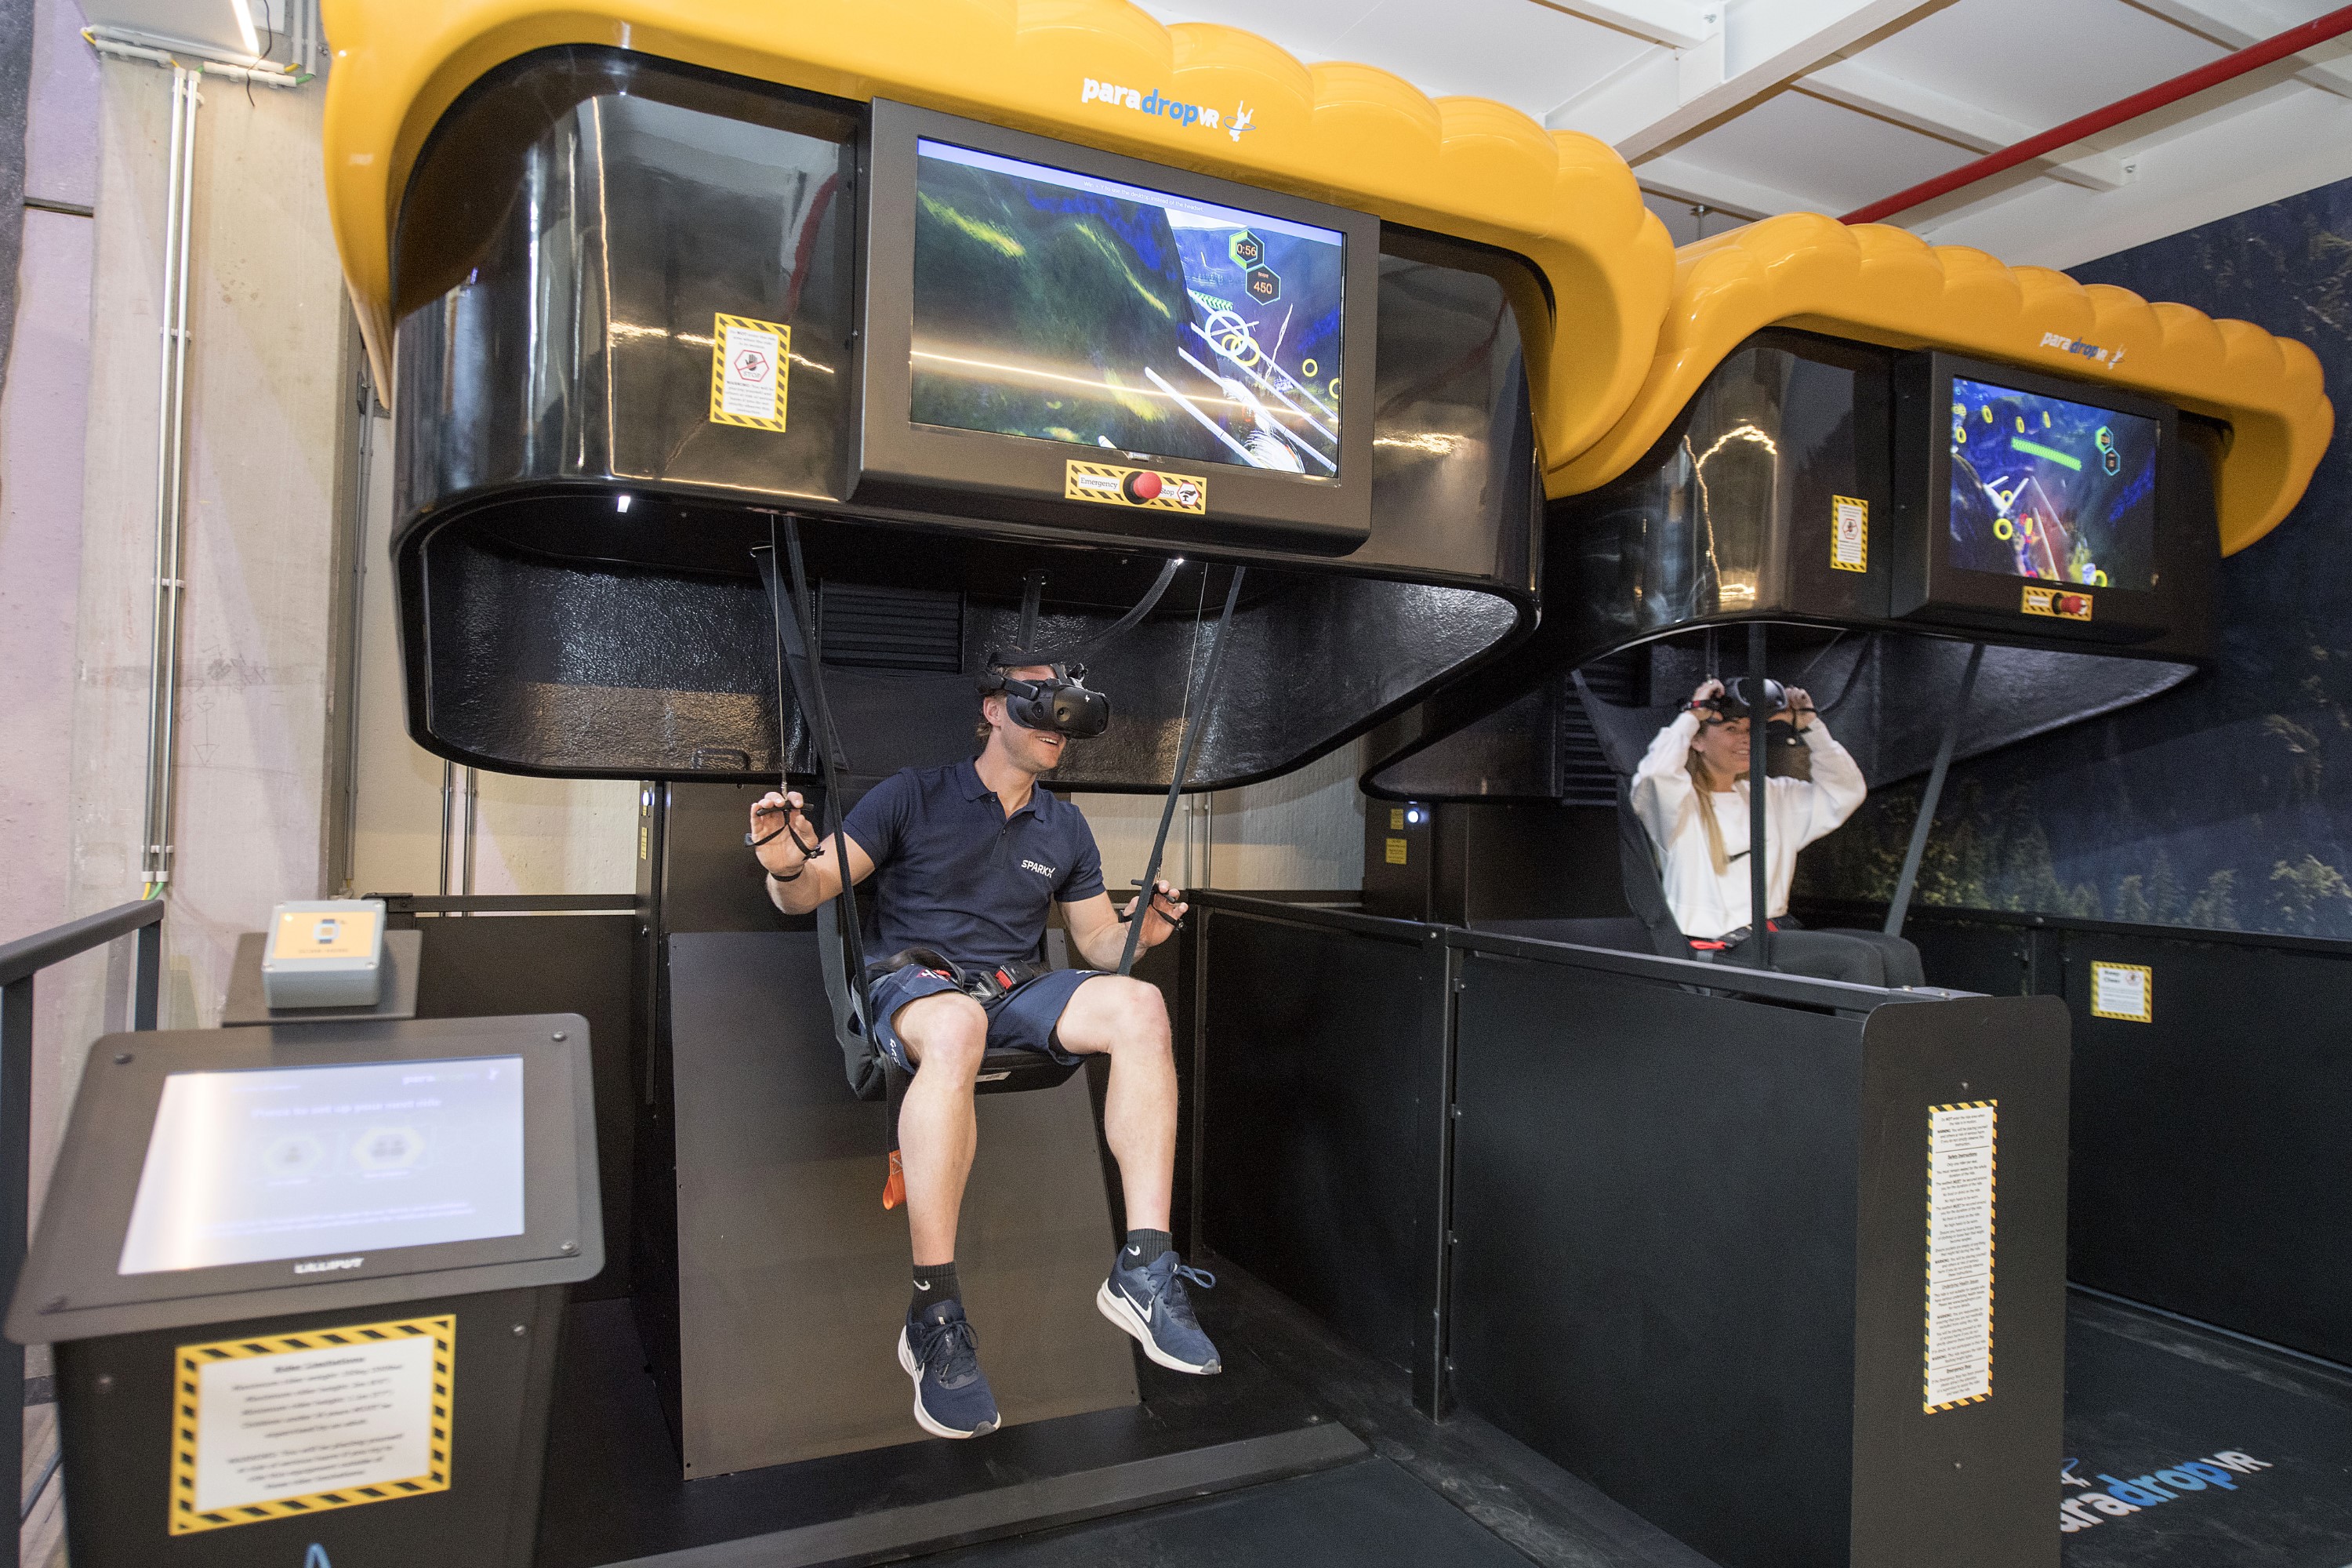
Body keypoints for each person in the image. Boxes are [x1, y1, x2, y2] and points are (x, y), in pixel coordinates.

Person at [746, 664, 1218, 1443]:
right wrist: (785, 862)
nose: (1056, 723)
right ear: (994, 709)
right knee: (959, 1023)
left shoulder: (1065, 826)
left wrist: (1145, 930)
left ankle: (1142, 1265)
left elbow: (1100, 943)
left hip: (1011, 988)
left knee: (1141, 1005)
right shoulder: (912, 794)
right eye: (1040, 703)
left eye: (1067, 711)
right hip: (917, 987)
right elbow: (808, 889)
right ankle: (933, 1308)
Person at [1631, 677, 1922, 987]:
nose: (1745, 740)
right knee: (1857, 958)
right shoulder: (1677, 805)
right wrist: (1692, 715)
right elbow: (1654, 775)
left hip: (1774, 933)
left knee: (1900, 952)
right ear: (1697, 741)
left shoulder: (1770, 795)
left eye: (1749, 730)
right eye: (1731, 730)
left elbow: (1845, 790)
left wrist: (1810, 726)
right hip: (1720, 946)